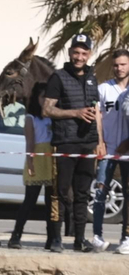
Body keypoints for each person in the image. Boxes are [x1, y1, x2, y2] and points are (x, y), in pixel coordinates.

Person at [44, 33, 101, 253]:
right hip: (65, 142)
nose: (79, 57)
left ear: (89, 54)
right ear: (70, 53)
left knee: (83, 193)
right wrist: (75, 113)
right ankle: (56, 238)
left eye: (84, 53)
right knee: (60, 191)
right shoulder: (58, 77)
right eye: (76, 52)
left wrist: (99, 140)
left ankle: (79, 239)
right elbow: (47, 109)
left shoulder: (92, 77)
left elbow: (96, 112)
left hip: (87, 143)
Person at [10, 79, 62, 252]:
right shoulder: (31, 117)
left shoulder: (54, 117)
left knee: (50, 201)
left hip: (51, 158)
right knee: (30, 200)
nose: (45, 100)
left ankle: (51, 237)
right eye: (42, 97)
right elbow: (30, 141)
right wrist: (30, 161)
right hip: (38, 157)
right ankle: (16, 235)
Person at [90, 48, 129, 254]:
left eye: (123, 64)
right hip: (108, 148)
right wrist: (100, 141)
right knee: (100, 191)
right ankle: (97, 236)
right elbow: (97, 115)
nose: (119, 68)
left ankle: (126, 237)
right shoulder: (104, 88)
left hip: (127, 150)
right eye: (116, 65)